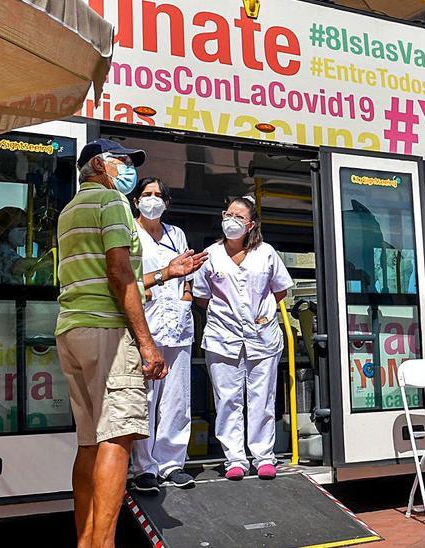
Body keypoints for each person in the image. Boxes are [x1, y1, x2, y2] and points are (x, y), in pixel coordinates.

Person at [54, 139, 202, 547]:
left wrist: (166, 274)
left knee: (89, 442)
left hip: (73, 330)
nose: (130, 171)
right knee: (117, 439)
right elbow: (120, 275)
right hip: (107, 332)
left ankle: (87, 539)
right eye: (123, 162)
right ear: (100, 165)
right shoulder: (112, 204)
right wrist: (147, 344)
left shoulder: (69, 211)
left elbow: (111, 276)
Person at [193, 196, 294, 481]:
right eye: (228, 214)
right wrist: (228, 315)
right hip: (222, 337)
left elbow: (280, 290)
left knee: (262, 398)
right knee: (228, 399)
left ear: (250, 225)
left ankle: (263, 456)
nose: (232, 221)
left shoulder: (266, 253)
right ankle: (234, 459)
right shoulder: (210, 254)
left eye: (239, 217)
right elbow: (201, 296)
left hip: (262, 336)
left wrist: (258, 313)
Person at [128, 177, 209, 494]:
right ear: (136, 201)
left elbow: (188, 271)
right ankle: (144, 467)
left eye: (158, 195)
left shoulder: (176, 234)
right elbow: (128, 278)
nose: (152, 200)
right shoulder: (130, 232)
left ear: (167, 202)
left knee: (177, 398)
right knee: (146, 397)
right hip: (144, 324)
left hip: (177, 323)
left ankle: (172, 463)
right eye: (146, 195)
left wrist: (187, 296)